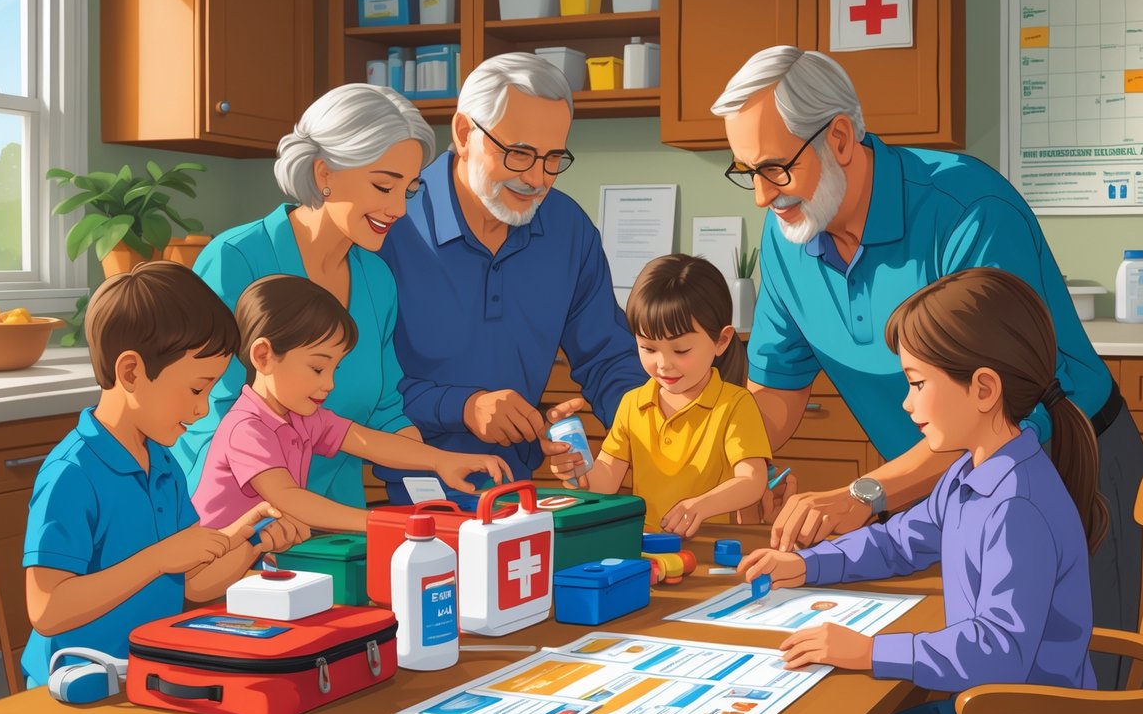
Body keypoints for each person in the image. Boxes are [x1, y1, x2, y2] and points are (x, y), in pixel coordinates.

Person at [711, 46, 1143, 690]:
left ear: (838, 137)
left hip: (1064, 466)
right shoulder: (788, 238)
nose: (761, 195)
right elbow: (774, 394)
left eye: (775, 168)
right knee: (967, 680)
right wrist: (732, 463)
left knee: (1077, 701)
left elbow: (994, 411)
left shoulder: (966, 209)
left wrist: (863, 494)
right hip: (941, 490)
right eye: (746, 171)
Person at [740, 268, 1104, 714]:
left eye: (916, 383)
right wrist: (808, 565)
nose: (907, 403)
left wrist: (867, 652)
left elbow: (996, 650)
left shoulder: (1017, 504)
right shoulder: (967, 475)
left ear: (983, 389)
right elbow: (897, 542)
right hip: (987, 711)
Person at [377, 52, 646, 505]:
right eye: (519, 154)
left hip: (517, 494)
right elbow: (352, 380)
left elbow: (607, 358)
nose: (537, 179)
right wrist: (465, 408)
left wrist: (661, 428)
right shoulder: (390, 222)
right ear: (464, 134)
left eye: (553, 159)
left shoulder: (568, 230)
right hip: (404, 491)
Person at [22, 263, 304, 688]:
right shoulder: (71, 474)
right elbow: (47, 610)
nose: (202, 409)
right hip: (73, 686)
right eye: (196, 389)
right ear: (131, 372)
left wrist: (251, 539)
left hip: (148, 672)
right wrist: (158, 559)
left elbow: (192, 582)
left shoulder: (163, 463)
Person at [173, 84, 436, 510]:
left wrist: (434, 489)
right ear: (324, 174)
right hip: (235, 518)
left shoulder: (377, 279)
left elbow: (385, 410)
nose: (399, 210)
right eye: (384, 186)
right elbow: (209, 412)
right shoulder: (236, 259)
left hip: (337, 520)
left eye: (408, 190)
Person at [193, 276, 513, 532]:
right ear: (263, 357)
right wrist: (381, 522)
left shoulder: (303, 417)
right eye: (318, 368)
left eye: (335, 369)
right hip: (216, 566)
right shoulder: (245, 429)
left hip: (261, 553)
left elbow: (367, 441)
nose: (329, 384)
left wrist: (440, 460)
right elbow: (289, 499)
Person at [549, 255, 771, 535]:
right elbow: (605, 481)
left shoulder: (735, 405)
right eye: (648, 349)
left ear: (721, 341)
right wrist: (576, 473)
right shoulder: (633, 404)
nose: (663, 364)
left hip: (710, 550)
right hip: (646, 546)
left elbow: (752, 479)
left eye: (680, 351)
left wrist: (701, 506)